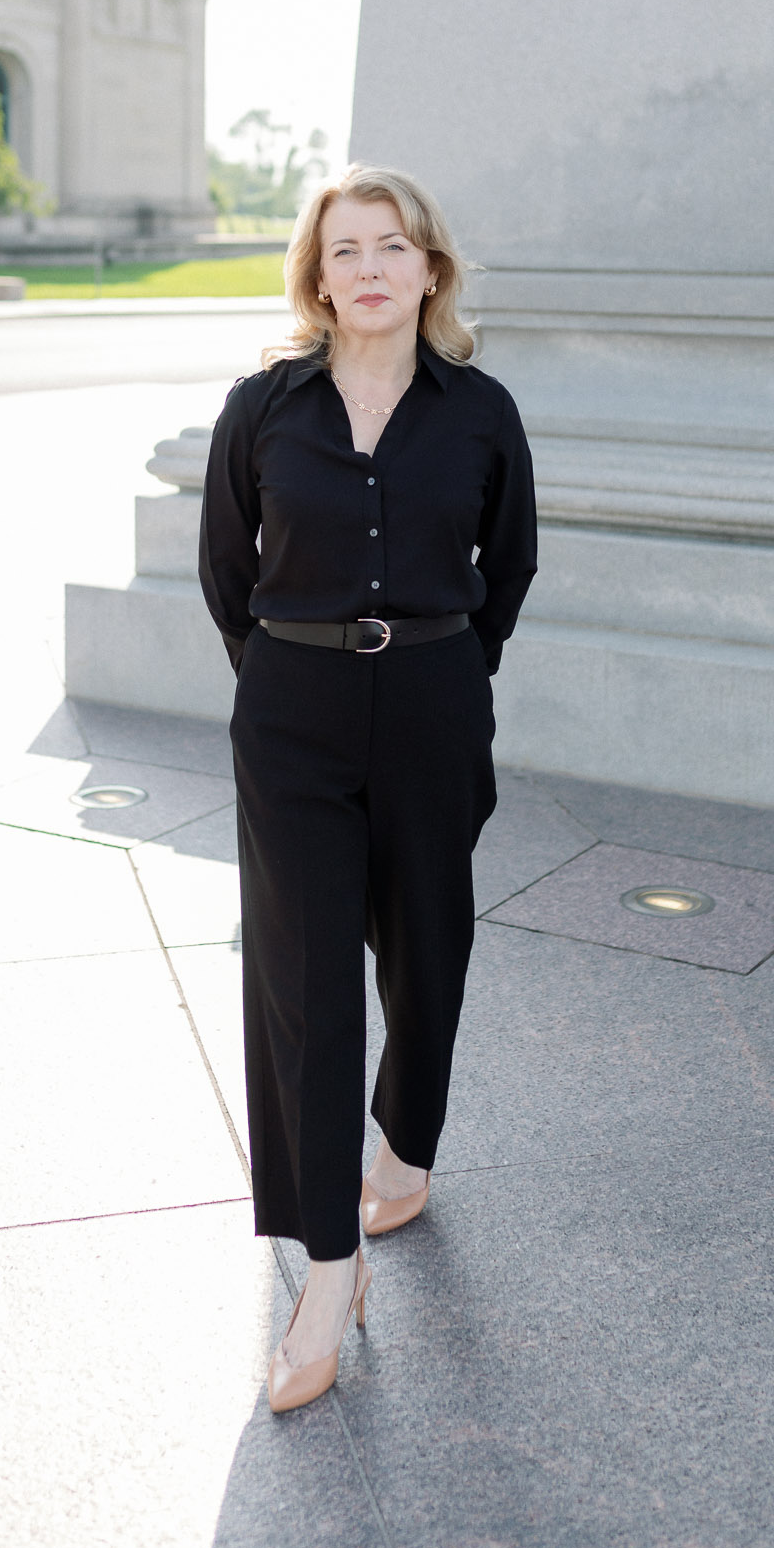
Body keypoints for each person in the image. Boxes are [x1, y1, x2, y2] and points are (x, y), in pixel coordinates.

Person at [199, 164, 537, 1413]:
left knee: (427, 951)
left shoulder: (482, 411)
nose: (370, 268)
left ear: (429, 270)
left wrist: (440, 666)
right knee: (304, 984)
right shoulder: (262, 408)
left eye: (391, 245)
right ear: (317, 276)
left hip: (435, 706)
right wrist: (293, 675)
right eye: (344, 249)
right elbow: (229, 569)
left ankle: (404, 1143)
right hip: (292, 713)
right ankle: (327, 1273)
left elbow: (506, 567)